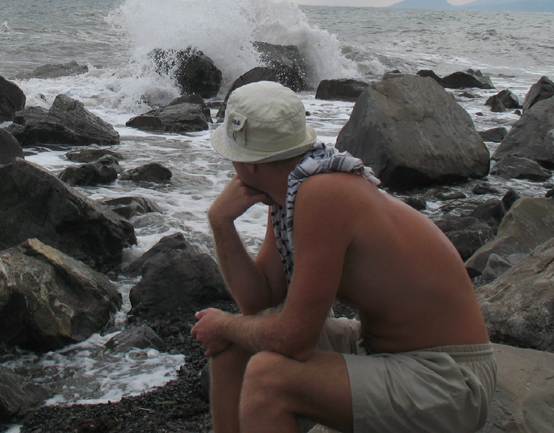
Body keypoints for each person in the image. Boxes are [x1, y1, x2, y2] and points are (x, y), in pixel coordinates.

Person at [191, 81, 496, 433]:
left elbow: (295, 338)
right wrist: (221, 223)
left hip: (449, 377)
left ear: (251, 163)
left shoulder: (323, 193)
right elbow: (260, 302)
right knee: (234, 345)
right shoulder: (296, 189)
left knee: (268, 379)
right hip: (384, 352)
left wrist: (223, 323)